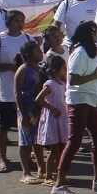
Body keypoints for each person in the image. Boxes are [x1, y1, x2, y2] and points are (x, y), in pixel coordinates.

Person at [53, 21, 97, 194]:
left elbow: (90, 75)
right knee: (74, 141)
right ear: (91, 33)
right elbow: (73, 80)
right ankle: (59, 184)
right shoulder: (79, 52)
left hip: (91, 99)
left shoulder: (92, 52)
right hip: (78, 100)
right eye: (96, 31)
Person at [0, 9, 29, 173]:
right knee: (3, 126)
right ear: (9, 22)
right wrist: (13, 67)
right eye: (17, 20)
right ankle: (3, 159)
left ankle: (26, 157)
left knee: (25, 125)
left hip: (24, 90)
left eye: (22, 20)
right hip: (6, 90)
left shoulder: (27, 38)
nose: (20, 23)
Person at [13, 39, 49, 183]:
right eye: (37, 50)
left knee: (38, 140)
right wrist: (23, 113)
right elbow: (17, 93)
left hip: (38, 109)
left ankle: (42, 169)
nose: (41, 52)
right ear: (28, 54)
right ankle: (26, 172)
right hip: (26, 109)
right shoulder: (23, 69)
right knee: (25, 141)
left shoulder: (40, 69)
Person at [34, 55, 69, 185]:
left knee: (61, 148)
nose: (65, 71)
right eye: (63, 68)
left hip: (60, 118)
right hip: (52, 119)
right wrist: (53, 109)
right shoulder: (50, 84)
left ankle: (59, 174)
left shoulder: (62, 83)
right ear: (55, 70)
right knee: (54, 149)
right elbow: (39, 99)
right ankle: (48, 175)